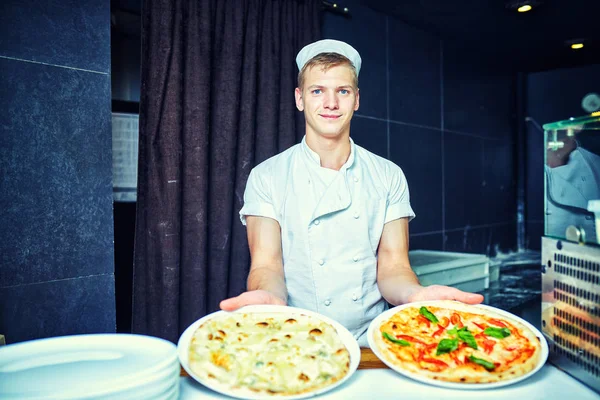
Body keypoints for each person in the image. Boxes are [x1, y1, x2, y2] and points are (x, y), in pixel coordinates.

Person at [220, 39, 483, 346]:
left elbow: (394, 266)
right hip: (295, 337)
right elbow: (266, 265)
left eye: (342, 91)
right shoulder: (267, 176)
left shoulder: (388, 175)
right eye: (317, 91)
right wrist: (266, 297)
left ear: (356, 99)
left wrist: (416, 295)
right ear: (299, 98)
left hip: (372, 341)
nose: (330, 103)